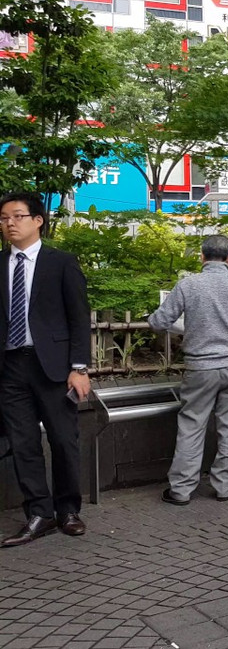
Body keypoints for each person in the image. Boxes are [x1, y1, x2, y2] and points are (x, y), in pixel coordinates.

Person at [0, 191, 91, 547]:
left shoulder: (61, 262)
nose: (10, 223)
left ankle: (68, 510)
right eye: (4, 218)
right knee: (23, 443)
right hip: (10, 368)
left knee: (64, 440)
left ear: (38, 220)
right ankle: (39, 513)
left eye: (17, 216)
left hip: (53, 367)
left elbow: (79, 317)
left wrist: (79, 367)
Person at [149, 235, 228, 505]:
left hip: (200, 367)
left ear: (202, 257)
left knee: (191, 425)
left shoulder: (188, 285)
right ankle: (225, 485)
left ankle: (181, 490)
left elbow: (159, 322)